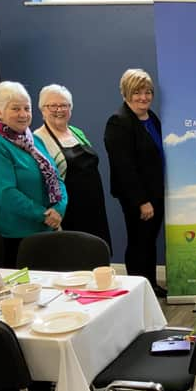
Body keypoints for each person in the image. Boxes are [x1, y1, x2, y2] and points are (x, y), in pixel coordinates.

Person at [0, 81, 67, 267]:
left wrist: (59, 208)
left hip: (46, 231)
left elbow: (57, 178)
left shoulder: (34, 140)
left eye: (27, 108)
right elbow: (5, 193)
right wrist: (43, 214)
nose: (23, 114)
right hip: (15, 236)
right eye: (15, 108)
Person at [104, 69, 166, 298]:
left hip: (156, 194)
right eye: (137, 92)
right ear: (126, 93)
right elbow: (124, 167)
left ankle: (149, 285)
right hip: (138, 198)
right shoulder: (119, 122)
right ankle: (137, 291)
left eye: (148, 92)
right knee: (139, 243)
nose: (143, 97)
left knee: (149, 242)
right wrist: (142, 201)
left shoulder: (152, 119)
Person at [34, 84, 111, 249]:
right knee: (76, 255)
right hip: (69, 210)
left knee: (96, 251)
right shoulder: (37, 139)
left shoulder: (76, 132)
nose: (59, 109)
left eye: (64, 105)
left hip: (94, 206)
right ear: (42, 109)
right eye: (53, 105)